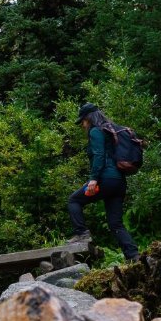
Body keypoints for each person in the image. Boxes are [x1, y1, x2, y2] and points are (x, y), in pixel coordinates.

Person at [67, 103, 140, 262]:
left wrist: (93, 179)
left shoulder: (96, 131)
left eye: (82, 121)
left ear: (88, 118)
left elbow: (99, 155)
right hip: (119, 182)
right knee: (116, 224)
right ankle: (134, 256)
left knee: (74, 200)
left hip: (105, 180)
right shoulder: (110, 130)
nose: (82, 125)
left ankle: (82, 233)